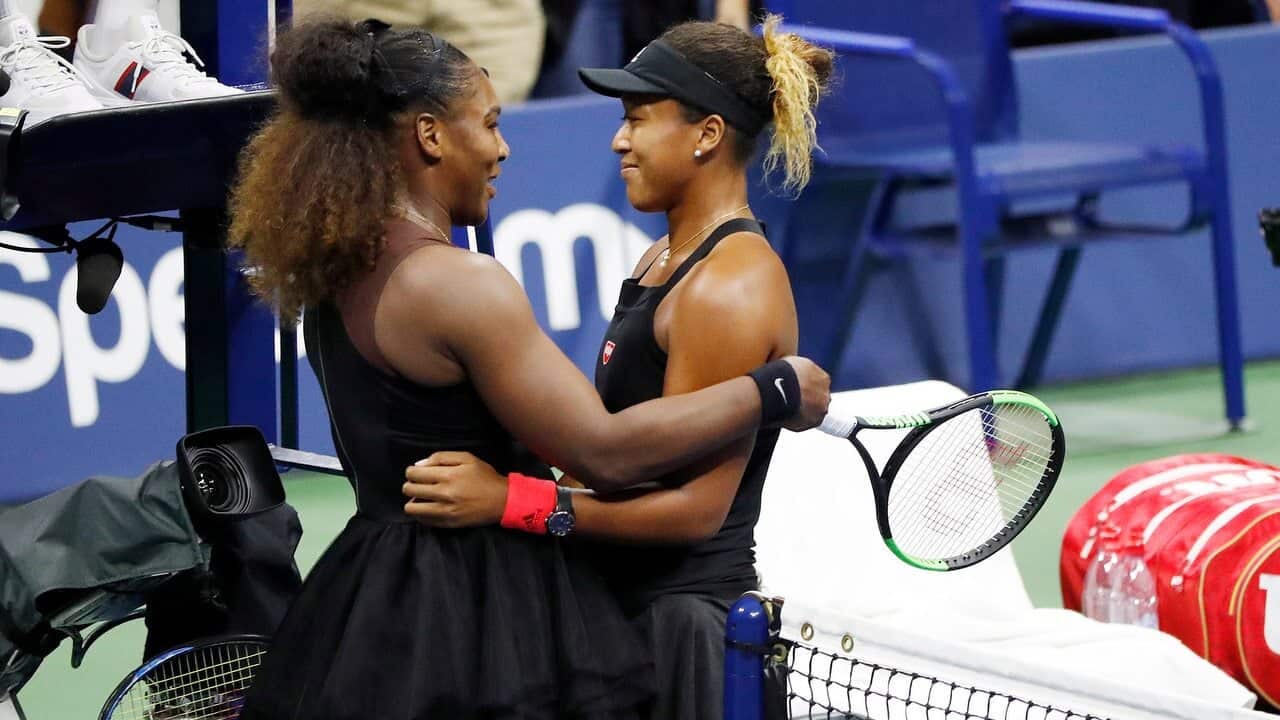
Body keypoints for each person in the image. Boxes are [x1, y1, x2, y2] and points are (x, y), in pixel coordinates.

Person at [226, 16, 830, 720]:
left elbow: (688, 508)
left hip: (425, 600)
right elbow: (605, 451)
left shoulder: (343, 264)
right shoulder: (461, 283)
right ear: (429, 136)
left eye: (638, 118)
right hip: (489, 611)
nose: (503, 148)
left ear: (708, 135)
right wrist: (777, 388)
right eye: (488, 124)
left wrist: (521, 494)